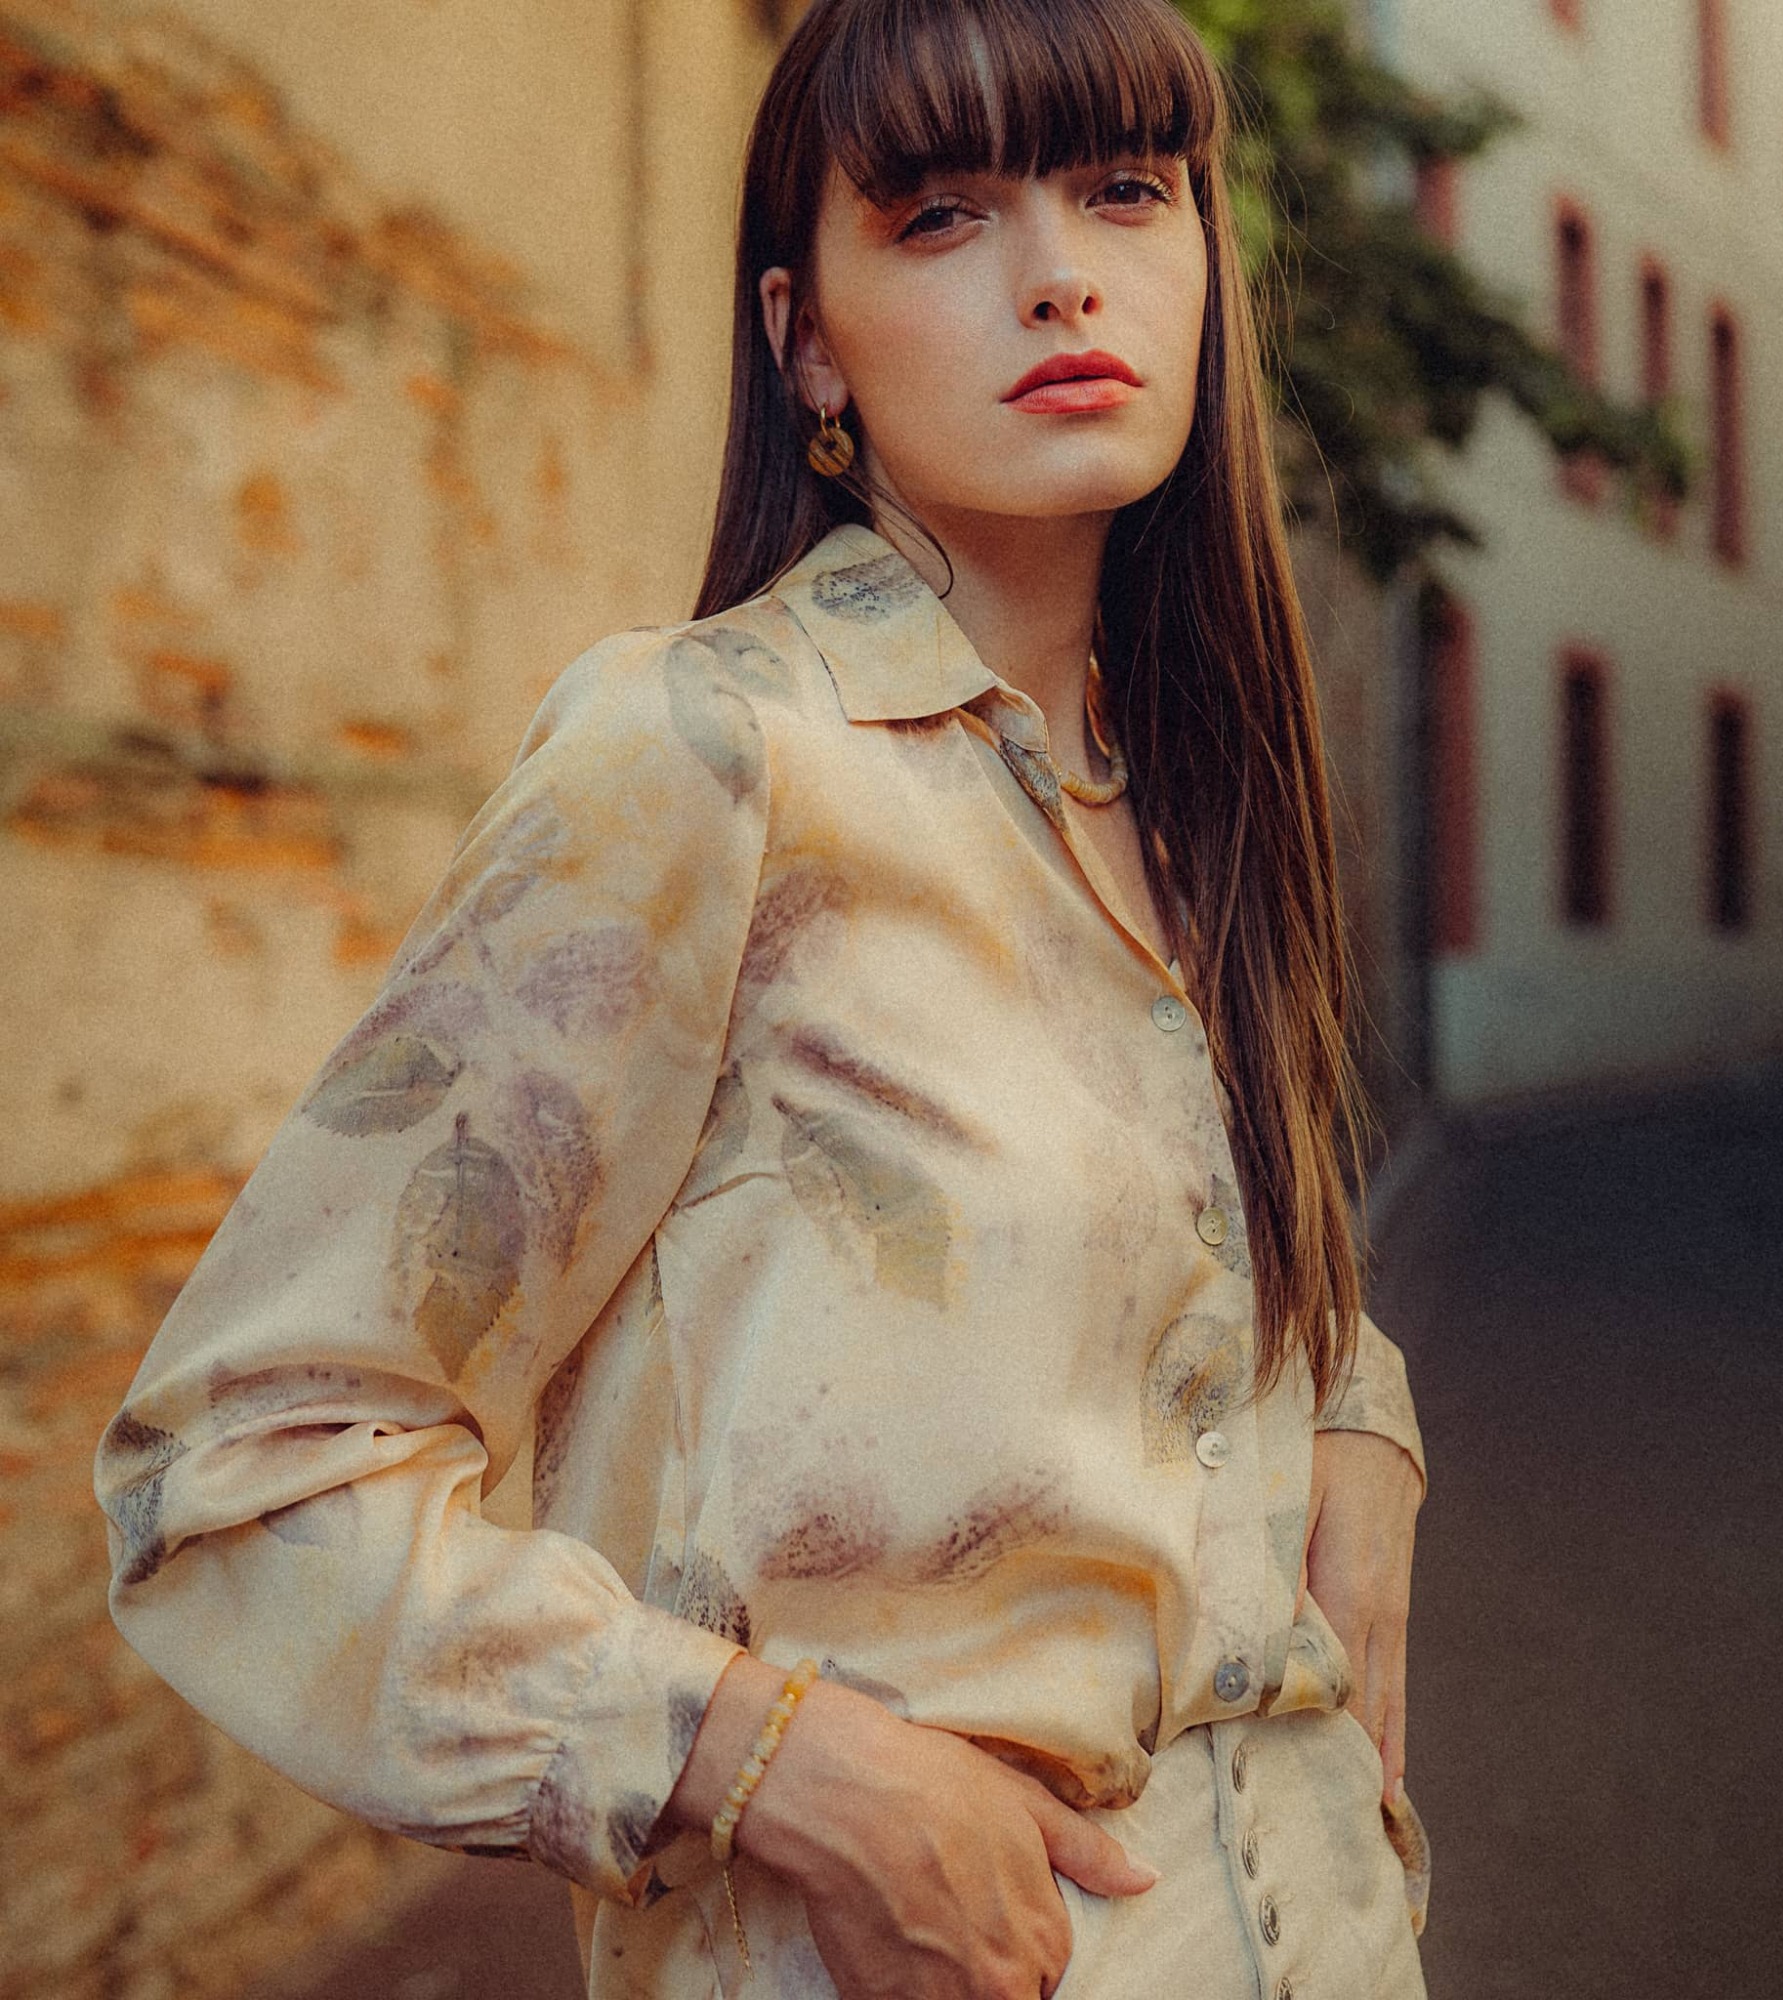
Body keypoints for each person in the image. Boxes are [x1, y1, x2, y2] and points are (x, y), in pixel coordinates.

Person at [94, 1, 1433, 1994]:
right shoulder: (703, 753)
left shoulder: (1192, 799)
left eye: (1125, 192)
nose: (1062, 269)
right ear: (807, 337)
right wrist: (784, 1771)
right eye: (945, 215)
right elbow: (243, 1473)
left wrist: (1356, 1411)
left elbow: (1157, 1282)